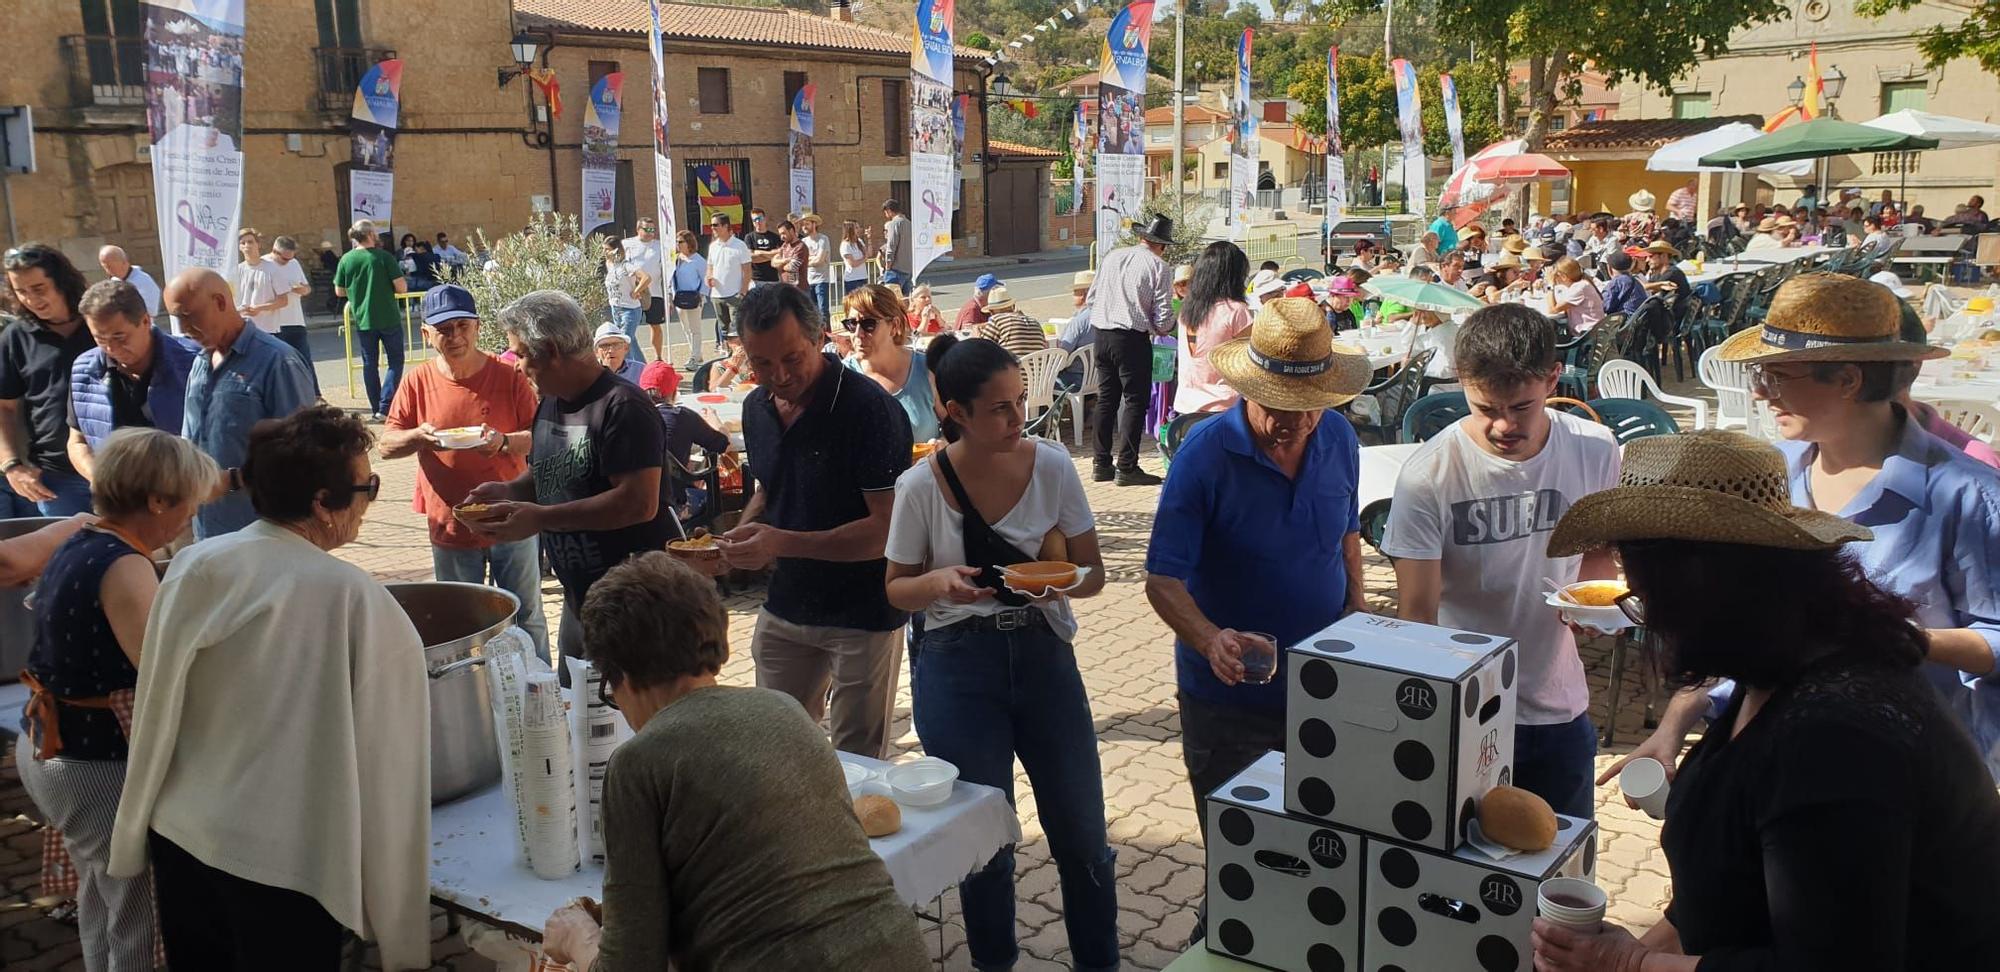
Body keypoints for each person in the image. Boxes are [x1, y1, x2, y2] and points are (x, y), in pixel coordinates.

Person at [1531, 431, 2000, 972]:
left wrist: (1629, 966)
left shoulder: (1834, 739)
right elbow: (1738, 874)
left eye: (1648, 600)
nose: (1651, 624)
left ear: (1709, 592)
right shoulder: (1782, 669)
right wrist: (1639, 949)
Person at [1612, 275, 2000, 787]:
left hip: (1897, 776)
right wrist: (1674, 723)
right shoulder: (1770, 474)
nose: (1758, 391)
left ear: (1847, 379)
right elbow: (1743, 621)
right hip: (1772, 754)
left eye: (1776, 376)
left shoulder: (1966, 497)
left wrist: (1893, 638)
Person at [107, 407, 430, 971]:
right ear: (322, 503)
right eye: (368, 487)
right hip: (286, 866)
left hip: (183, 835)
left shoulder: (196, 564)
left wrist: (132, 831)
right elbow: (392, 773)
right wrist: (401, 934)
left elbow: (157, 706)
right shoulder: (357, 601)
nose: (371, 502)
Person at [538, 553, 930, 971]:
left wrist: (577, 936)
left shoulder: (637, 763)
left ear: (622, 676)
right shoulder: (783, 708)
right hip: (898, 952)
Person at [883, 337, 1118, 971]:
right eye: (1000, 409)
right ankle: (995, 964)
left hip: (1043, 653)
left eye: (1021, 403)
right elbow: (897, 588)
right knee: (985, 840)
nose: (1019, 420)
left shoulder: (1053, 466)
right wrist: (939, 582)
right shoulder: (919, 487)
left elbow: (1093, 573)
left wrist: (1054, 578)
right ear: (955, 411)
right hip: (956, 662)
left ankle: (1100, 963)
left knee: (1083, 835)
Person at [1144, 298, 1371, 942]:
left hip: (1324, 690)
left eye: (1310, 407)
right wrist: (1209, 638)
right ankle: (1223, 939)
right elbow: (1162, 578)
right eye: (1279, 406)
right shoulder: (1205, 455)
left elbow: (1347, 530)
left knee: (1319, 848)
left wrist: (1357, 605)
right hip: (1229, 699)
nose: (1294, 425)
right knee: (1241, 856)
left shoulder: (1340, 438)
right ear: (1248, 388)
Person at [1381, 303, 1621, 819]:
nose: (1502, 426)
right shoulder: (1430, 475)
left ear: (1553, 377)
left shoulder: (1595, 449)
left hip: (1558, 702)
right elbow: (1418, 615)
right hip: (1465, 710)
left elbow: (1600, 549)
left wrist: (1596, 603)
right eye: (1485, 408)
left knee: (1559, 868)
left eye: (1522, 407)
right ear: (1463, 383)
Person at [17, 429, 212, 972]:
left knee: (101, 894)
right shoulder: (126, 565)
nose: (191, 514)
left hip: (49, 746)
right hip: (92, 763)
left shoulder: (82, 538)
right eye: (189, 502)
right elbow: (162, 674)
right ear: (156, 501)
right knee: (139, 914)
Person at [716, 285, 912, 758]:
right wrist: (739, 539)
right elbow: (773, 487)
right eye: (761, 364)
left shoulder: (868, 410)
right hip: (787, 604)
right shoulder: (756, 408)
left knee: (856, 764)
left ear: (819, 338)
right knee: (781, 753)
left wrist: (778, 542)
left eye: (792, 358)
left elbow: (885, 530)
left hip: (863, 613)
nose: (778, 376)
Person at [465, 291, 673, 683]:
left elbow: (638, 502)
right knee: (580, 711)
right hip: (581, 599)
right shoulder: (552, 401)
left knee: (631, 714)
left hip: (637, 603)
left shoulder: (623, 407)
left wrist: (541, 518)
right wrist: (508, 490)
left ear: (552, 350)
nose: (517, 366)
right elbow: (549, 473)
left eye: (522, 354)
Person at [379, 284, 549, 658]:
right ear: (426, 334)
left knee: (527, 613)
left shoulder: (509, 376)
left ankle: (539, 696)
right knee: (457, 621)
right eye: (444, 329)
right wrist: (417, 437)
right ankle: (470, 696)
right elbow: (386, 444)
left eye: (462, 326)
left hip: (511, 516)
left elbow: (540, 436)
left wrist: (503, 442)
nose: (455, 336)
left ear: (476, 327)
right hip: (450, 521)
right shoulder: (417, 381)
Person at [168, 268, 316, 540]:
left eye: (189, 316)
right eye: (177, 319)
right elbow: (191, 439)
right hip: (208, 532)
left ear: (220, 302)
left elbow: (303, 456)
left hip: (265, 537)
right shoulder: (200, 363)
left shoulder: (277, 361)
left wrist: (231, 481)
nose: (184, 329)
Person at [3, 244, 102, 515]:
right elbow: (4, 407)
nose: (32, 300)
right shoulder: (16, 337)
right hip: (57, 482)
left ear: (61, 281)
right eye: (22, 292)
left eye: (39, 289)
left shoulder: (100, 322)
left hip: (118, 472)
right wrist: (11, 466)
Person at [67, 280, 198, 481]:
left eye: (119, 337)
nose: (111, 348)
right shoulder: (84, 370)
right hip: (121, 499)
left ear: (146, 321)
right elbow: (77, 441)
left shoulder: (193, 363)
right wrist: (100, 480)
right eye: (100, 339)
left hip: (187, 491)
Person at [1086, 215, 1175, 487]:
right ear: (1162, 245)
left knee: (1107, 399)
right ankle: (1127, 466)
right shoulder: (1159, 267)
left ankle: (1101, 463)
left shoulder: (1113, 257)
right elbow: (1162, 320)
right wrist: (1168, 326)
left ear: (1142, 237)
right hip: (1131, 337)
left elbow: (1091, 298)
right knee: (1135, 401)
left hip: (1102, 334)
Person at [842, 284, 942, 443]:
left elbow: (957, 427)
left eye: (869, 324)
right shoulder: (842, 377)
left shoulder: (927, 369)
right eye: (851, 324)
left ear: (894, 326)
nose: (857, 334)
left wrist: (942, 445)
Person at [332, 219, 410, 420]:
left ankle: (377, 406)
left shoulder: (346, 260)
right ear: (369, 235)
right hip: (388, 317)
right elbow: (402, 287)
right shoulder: (384, 257)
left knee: (369, 364)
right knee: (396, 361)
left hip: (363, 318)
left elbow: (339, 290)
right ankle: (385, 406)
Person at [636, 361, 730, 518]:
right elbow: (723, 444)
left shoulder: (631, 415)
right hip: (675, 502)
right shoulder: (681, 416)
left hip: (638, 500)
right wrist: (714, 419)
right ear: (674, 391)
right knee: (709, 491)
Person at [1171, 241, 1253, 416]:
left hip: (1185, 407)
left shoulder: (1187, 310)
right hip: (1224, 408)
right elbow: (1250, 364)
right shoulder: (1236, 311)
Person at [262, 236, 319, 398]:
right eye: (284, 258)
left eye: (290, 258)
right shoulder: (263, 264)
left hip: (295, 319)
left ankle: (315, 395)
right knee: (279, 364)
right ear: (274, 251)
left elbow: (307, 288)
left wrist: (301, 290)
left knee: (304, 360)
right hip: (273, 322)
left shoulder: (293, 263)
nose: (287, 261)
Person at [601, 237, 651, 364]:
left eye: (607, 249)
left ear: (615, 250)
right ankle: (642, 367)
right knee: (631, 340)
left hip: (630, 309)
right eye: (604, 249)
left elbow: (646, 278)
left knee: (623, 341)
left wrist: (636, 291)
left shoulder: (626, 265)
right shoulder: (609, 265)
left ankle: (626, 370)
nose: (605, 252)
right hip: (616, 307)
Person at [623, 217, 667, 360]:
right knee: (630, 328)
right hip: (633, 293)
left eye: (652, 230)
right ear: (638, 230)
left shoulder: (661, 246)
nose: (650, 233)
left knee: (655, 325)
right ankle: (633, 358)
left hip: (655, 292)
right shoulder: (627, 244)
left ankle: (658, 357)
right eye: (646, 229)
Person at [704, 213, 752, 342]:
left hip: (734, 295)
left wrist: (743, 291)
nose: (712, 228)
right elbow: (710, 267)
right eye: (711, 225)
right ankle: (729, 356)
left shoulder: (739, 245)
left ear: (725, 226)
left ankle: (741, 357)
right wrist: (708, 277)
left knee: (737, 330)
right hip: (717, 295)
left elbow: (747, 270)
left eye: (715, 225)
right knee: (724, 330)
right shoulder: (713, 246)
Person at [231, 229, 285, 338]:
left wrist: (259, 308)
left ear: (258, 244)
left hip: (267, 330)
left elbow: (283, 301)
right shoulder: (235, 271)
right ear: (239, 247)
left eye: (250, 242)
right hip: (243, 329)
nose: (247, 246)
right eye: (243, 243)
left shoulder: (273, 269)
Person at [668, 229, 709, 366]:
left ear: (689, 243)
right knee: (686, 328)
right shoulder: (676, 259)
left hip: (694, 297)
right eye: (676, 242)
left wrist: (701, 295)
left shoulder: (698, 260)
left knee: (695, 329)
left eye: (681, 242)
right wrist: (670, 296)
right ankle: (696, 352)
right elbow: (670, 278)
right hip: (679, 297)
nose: (678, 244)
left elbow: (706, 279)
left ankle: (694, 357)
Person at [974, 287, 1046, 359]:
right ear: (1013, 306)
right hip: (1040, 370)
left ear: (991, 311)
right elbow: (1045, 346)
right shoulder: (1034, 321)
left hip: (1012, 369)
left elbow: (981, 349)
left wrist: (976, 336)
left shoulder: (996, 320)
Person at [95, 246, 162, 319]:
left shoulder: (143, 281)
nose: (107, 271)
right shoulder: (114, 281)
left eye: (109, 266)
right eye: (104, 267)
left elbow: (152, 311)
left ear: (123, 262)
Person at [1544, 256, 1606, 335]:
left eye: (1556, 275)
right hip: (1593, 332)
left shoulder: (1579, 288)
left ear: (1563, 277)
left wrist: (1550, 284)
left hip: (1587, 335)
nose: (1554, 278)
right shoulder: (1582, 284)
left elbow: (1552, 310)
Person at [1640, 240, 1692, 322]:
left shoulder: (1673, 273)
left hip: (1673, 320)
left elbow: (1646, 289)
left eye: (1651, 256)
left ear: (1663, 256)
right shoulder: (1658, 273)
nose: (1647, 260)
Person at [798, 212, 833, 321]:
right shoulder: (803, 242)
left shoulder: (823, 239)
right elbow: (800, 261)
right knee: (811, 311)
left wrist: (809, 260)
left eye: (807, 224)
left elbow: (820, 260)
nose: (804, 227)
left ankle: (827, 336)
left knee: (823, 310)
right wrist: (812, 258)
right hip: (808, 281)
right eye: (803, 224)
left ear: (814, 224)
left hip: (821, 280)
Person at [743, 208, 782, 290]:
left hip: (773, 280)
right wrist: (772, 254)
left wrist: (759, 253)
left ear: (765, 219)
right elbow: (751, 258)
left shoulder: (775, 237)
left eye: (759, 218)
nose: (757, 222)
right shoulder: (749, 237)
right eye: (754, 220)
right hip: (756, 280)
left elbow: (780, 255)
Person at [880, 199, 913, 293]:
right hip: (907, 268)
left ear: (889, 211)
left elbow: (891, 246)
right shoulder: (908, 223)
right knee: (906, 300)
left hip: (896, 269)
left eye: (885, 212)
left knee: (892, 300)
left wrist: (888, 266)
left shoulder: (893, 224)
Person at [1600, 251, 1646, 317]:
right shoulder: (1636, 281)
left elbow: (1605, 306)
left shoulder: (1617, 282)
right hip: (1637, 320)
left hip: (1625, 322)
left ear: (1610, 268)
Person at [773, 219, 809, 292]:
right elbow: (773, 263)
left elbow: (791, 267)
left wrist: (779, 264)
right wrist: (786, 260)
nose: (781, 237)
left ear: (791, 231)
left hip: (799, 291)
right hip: (786, 289)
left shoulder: (800, 247)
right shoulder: (785, 245)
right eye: (780, 234)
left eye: (784, 233)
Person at [839, 220, 871, 295]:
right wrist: (865, 258)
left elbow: (869, 253)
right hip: (852, 280)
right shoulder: (845, 245)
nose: (858, 229)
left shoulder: (859, 241)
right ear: (850, 229)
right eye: (856, 227)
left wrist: (869, 238)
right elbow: (852, 264)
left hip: (863, 277)